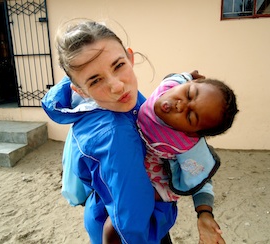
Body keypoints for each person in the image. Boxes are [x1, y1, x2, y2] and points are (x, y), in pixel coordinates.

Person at [41, 19, 225, 244]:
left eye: (118, 65)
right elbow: (130, 223)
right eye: (96, 80)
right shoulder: (115, 136)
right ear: (81, 90)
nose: (117, 86)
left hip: (102, 210)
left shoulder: (121, 100)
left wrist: (190, 81)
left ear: (130, 57)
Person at [103, 71, 238, 243]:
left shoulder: (186, 145)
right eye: (189, 93)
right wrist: (190, 75)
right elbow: (180, 77)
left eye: (190, 116)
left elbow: (199, 180)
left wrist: (204, 213)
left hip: (156, 181)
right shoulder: (172, 85)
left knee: (116, 224)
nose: (180, 104)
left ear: (191, 134)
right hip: (132, 153)